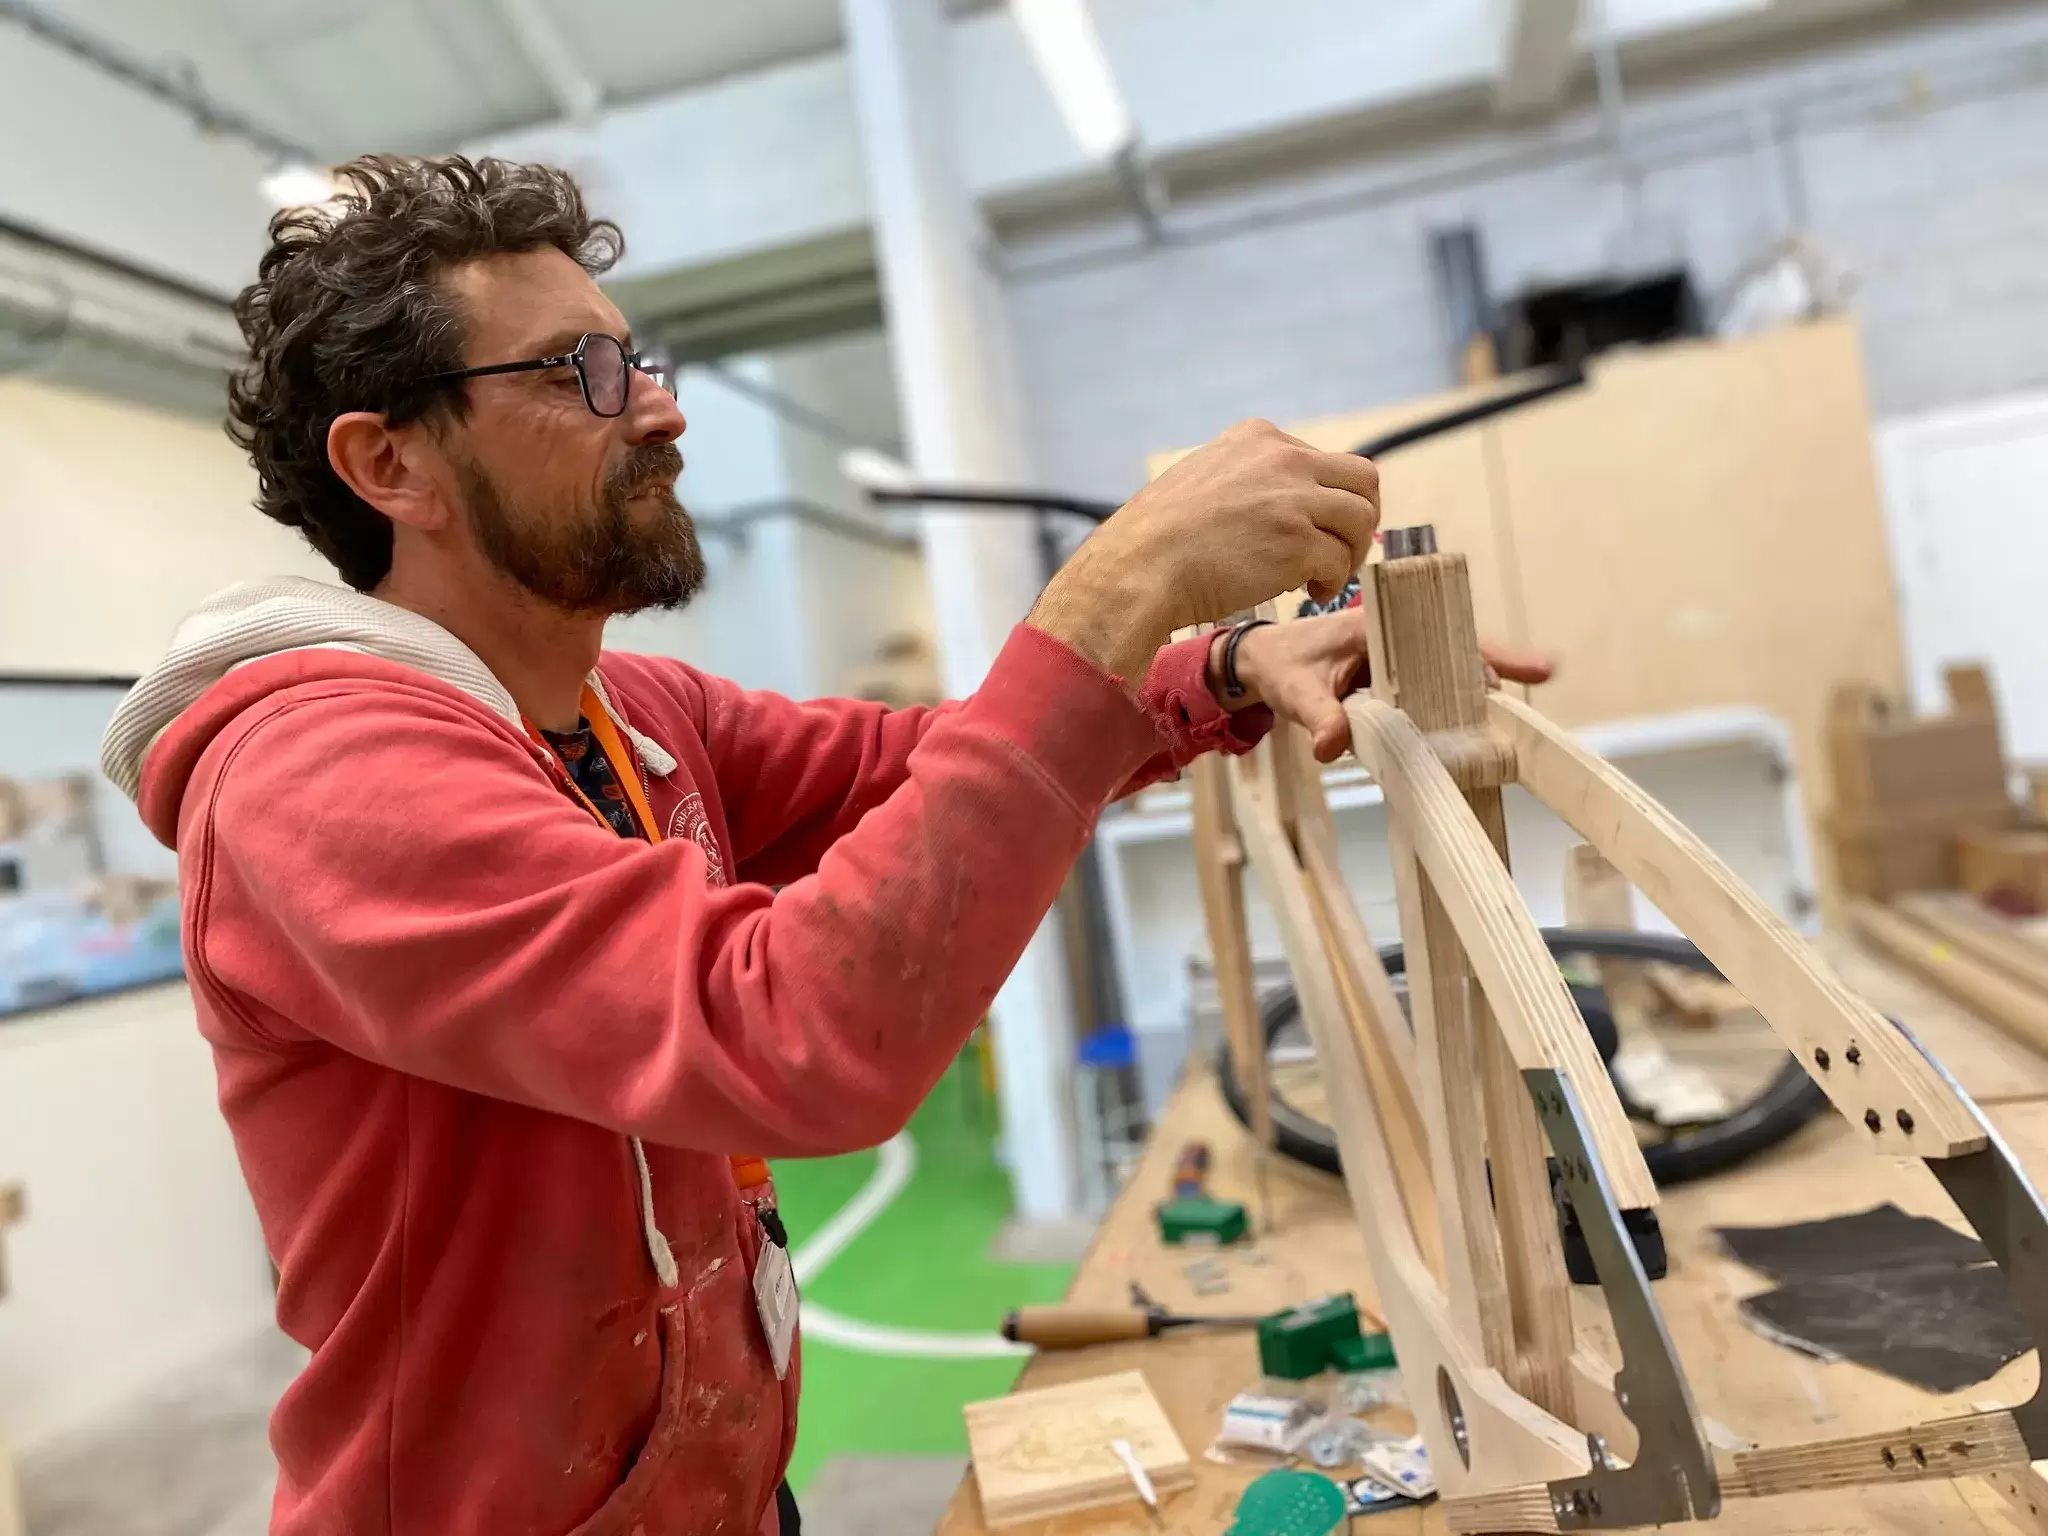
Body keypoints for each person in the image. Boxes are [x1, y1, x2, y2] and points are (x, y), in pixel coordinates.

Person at [102, 156, 1543, 1536]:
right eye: (581, 374)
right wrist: (1115, 587)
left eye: (640, 359)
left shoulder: (629, 715)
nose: (657, 410)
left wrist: (1216, 670)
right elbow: (790, 1033)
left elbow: (908, 772)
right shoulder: (322, 781)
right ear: (391, 463)